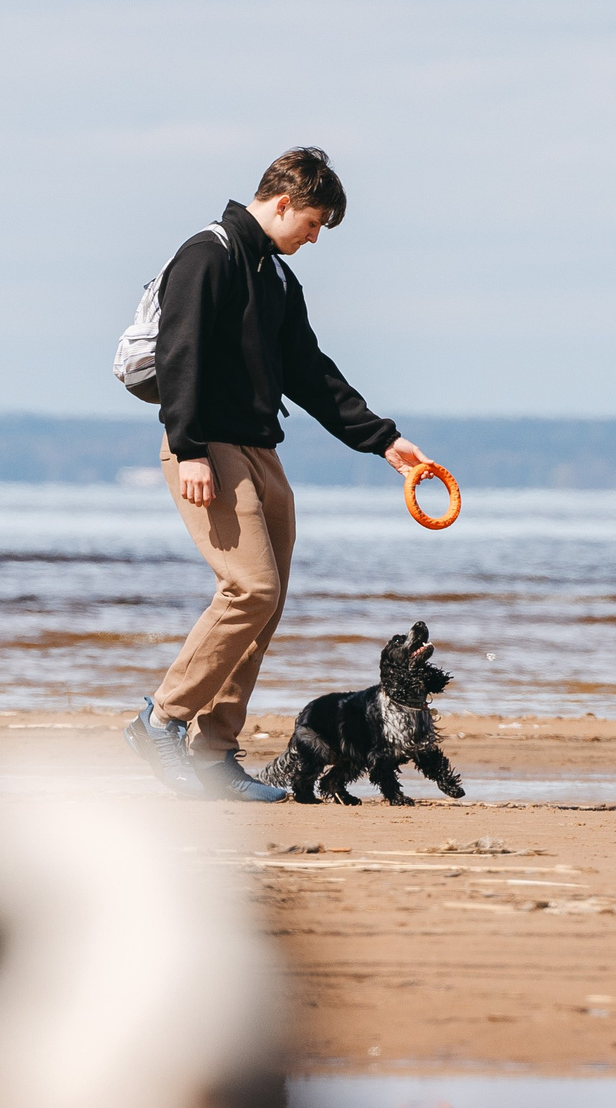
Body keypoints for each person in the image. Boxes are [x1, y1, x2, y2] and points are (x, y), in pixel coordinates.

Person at [123, 148, 427, 802]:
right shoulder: (208, 256)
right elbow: (180, 354)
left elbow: (311, 374)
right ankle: (163, 720)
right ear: (283, 201)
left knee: (267, 603)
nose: (315, 238)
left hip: (261, 450)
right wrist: (191, 447)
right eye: (314, 222)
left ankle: (211, 752)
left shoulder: (278, 279)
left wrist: (385, 441)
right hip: (207, 447)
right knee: (249, 589)